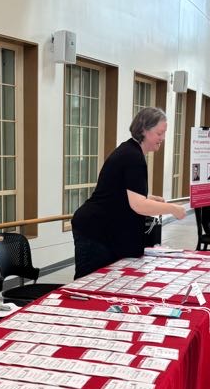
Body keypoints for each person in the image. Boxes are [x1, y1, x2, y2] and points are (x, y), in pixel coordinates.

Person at [71, 107, 186, 279]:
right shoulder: (132, 156)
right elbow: (138, 205)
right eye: (159, 133)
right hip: (95, 229)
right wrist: (171, 209)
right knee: (89, 283)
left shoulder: (131, 151)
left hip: (104, 228)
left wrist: (150, 198)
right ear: (144, 130)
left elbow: (124, 193)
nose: (162, 138)